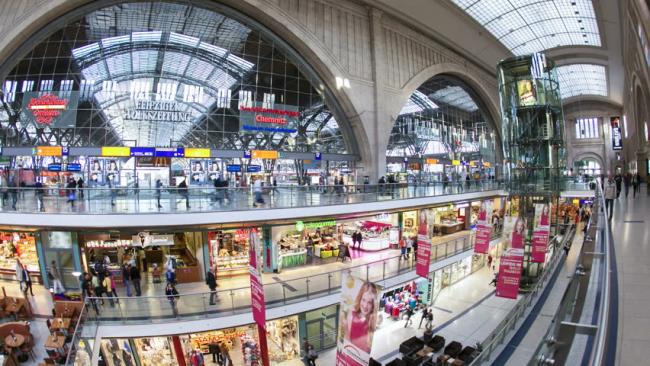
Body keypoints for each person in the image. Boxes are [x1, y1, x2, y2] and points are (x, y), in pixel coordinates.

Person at [344, 281, 378, 353]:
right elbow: (347, 340)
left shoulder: (372, 321)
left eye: (369, 302)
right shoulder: (351, 315)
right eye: (363, 300)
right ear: (360, 298)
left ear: (373, 305)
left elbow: (369, 348)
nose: (365, 306)